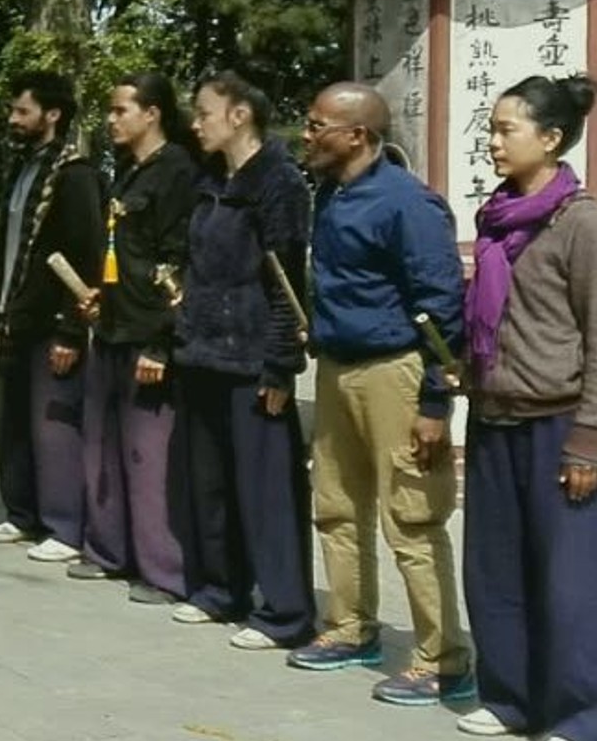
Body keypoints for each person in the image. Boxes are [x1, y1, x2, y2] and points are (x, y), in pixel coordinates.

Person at [456, 76, 597, 741]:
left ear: (551, 138)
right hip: (496, 415)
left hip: (561, 424)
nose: (494, 142)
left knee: (573, 579)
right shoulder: (497, 218)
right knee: (495, 570)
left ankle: (591, 719)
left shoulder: (584, 225)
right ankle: (510, 695)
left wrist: (592, 437)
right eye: (492, 129)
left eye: (507, 129)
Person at [298, 83, 473, 706]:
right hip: (337, 367)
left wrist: (434, 402)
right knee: (336, 506)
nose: (306, 135)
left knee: (411, 517)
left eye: (317, 125)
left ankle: (442, 658)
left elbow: (442, 304)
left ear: (357, 135)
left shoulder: (409, 204)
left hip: (393, 371)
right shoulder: (330, 193)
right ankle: (350, 627)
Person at [172, 74, 317, 650]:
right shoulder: (210, 181)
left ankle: (285, 611)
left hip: (253, 357)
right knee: (210, 484)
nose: (196, 123)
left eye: (204, 112)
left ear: (239, 116)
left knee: (266, 491)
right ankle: (221, 589)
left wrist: (280, 364)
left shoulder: (279, 183)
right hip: (203, 352)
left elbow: (287, 282)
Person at [70, 74, 198, 604]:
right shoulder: (126, 172)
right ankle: (108, 549)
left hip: (148, 333)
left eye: (121, 109)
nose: (111, 119)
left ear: (153, 113)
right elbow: (121, 251)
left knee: (151, 458)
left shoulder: (178, 173)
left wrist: (162, 342)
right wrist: (101, 298)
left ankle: (164, 570)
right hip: (112, 325)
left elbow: (178, 261)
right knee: (102, 447)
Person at [0, 70, 103, 561]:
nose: (13, 119)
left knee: (54, 427)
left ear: (52, 115)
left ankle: (65, 526)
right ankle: (22, 513)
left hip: (51, 322)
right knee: (13, 421)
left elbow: (85, 255)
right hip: (16, 314)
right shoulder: (22, 168)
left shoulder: (74, 176)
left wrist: (71, 330)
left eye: (23, 111)